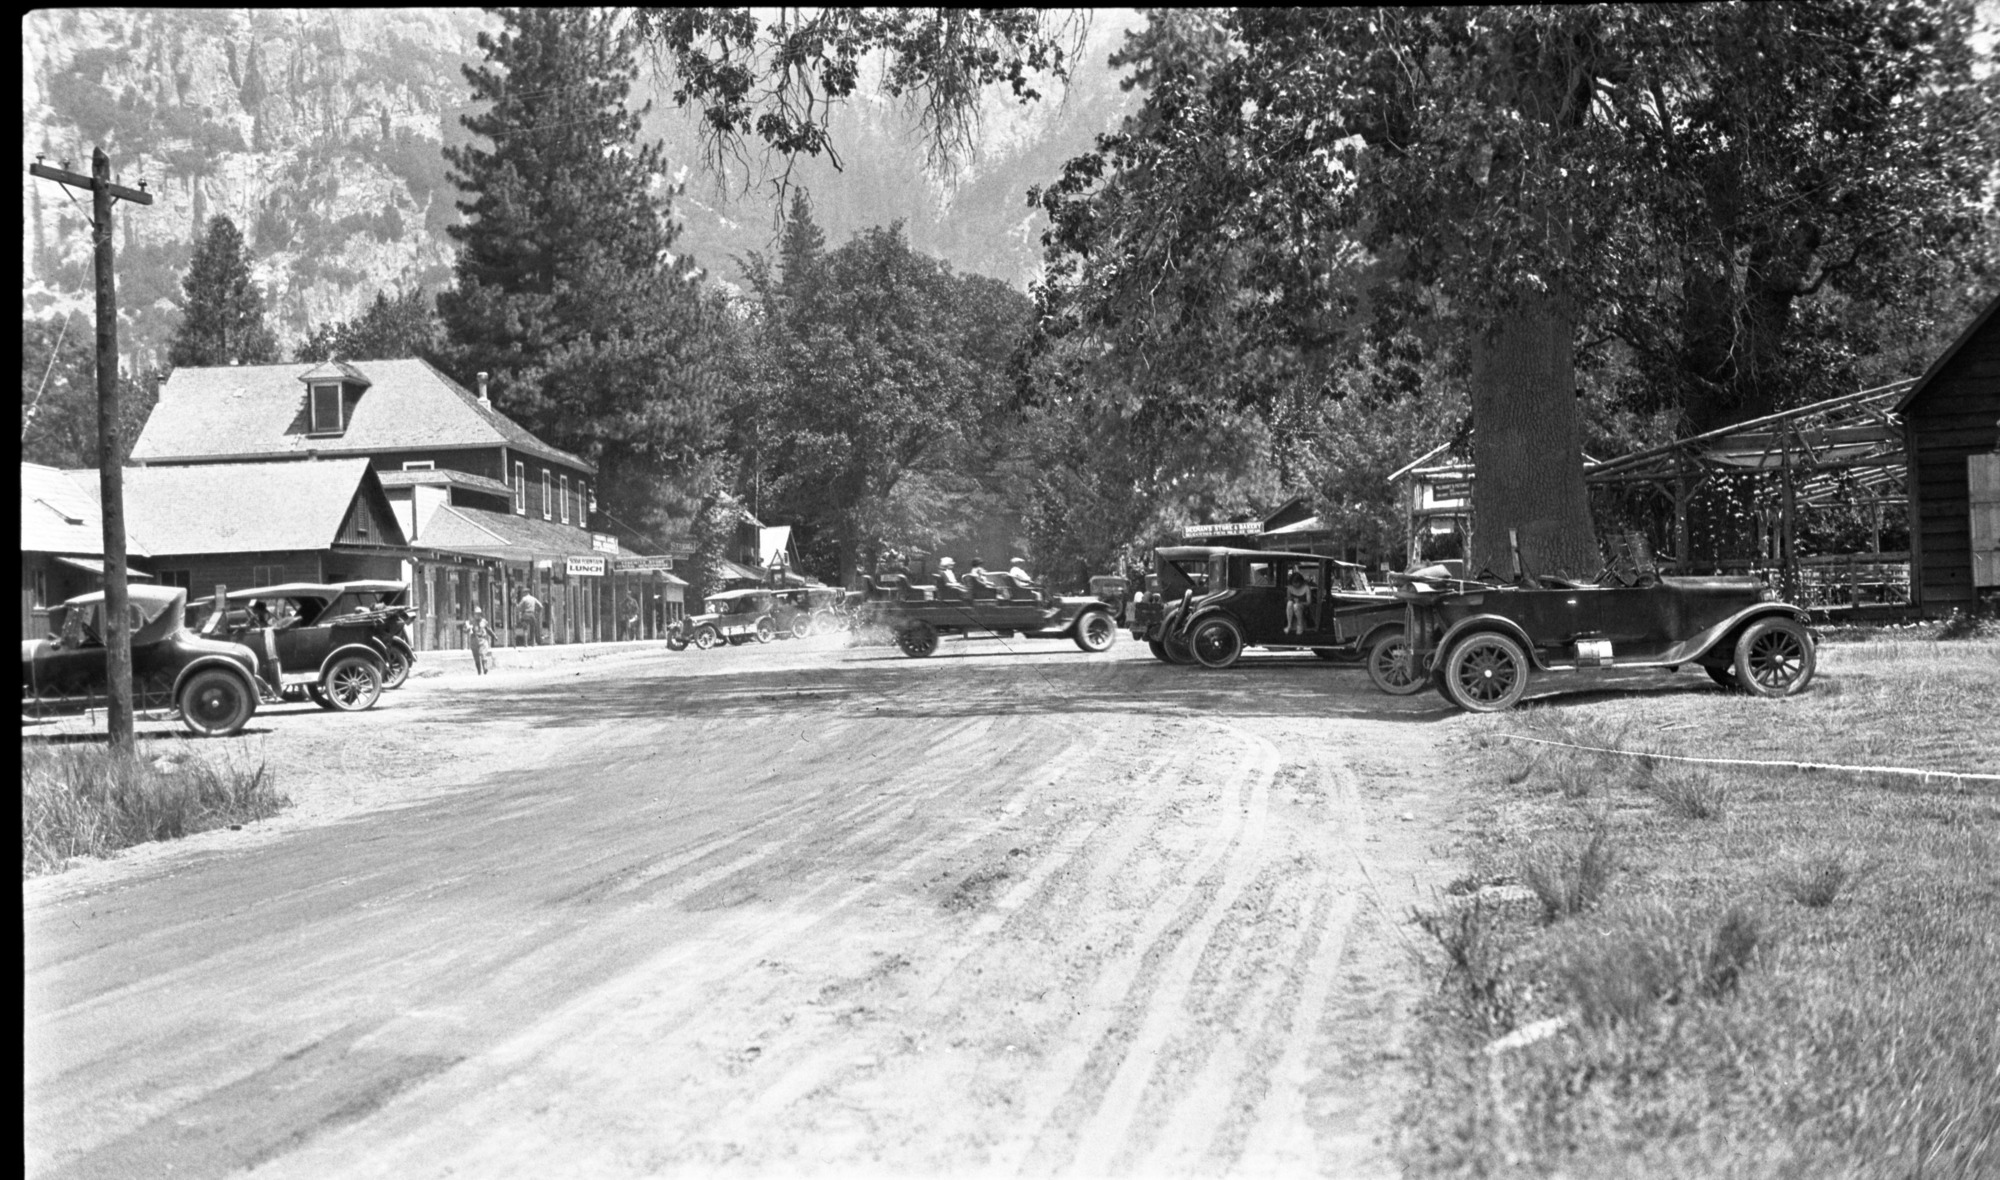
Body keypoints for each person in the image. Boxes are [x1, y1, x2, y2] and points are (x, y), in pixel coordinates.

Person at [464, 607, 495, 674]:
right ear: (474, 614)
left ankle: (485, 668)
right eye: (476, 614)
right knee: (476, 657)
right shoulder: (470, 622)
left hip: (482, 640)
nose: (478, 615)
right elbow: (465, 630)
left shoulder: (484, 621)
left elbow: (488, 630)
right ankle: (479, 671)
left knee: (483, 654)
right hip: (474, 640)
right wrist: (468, 629)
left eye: (479, 614)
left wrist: (494, 636)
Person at [1285, 568, 1312, 635]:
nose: (1296, 585)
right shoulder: (1289, 588)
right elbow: (1288, 599)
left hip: (1303, 607)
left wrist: (1300, 602)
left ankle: (1300, 625)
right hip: (1291, 607)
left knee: (1296, 606)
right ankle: (1289, 624)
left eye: (1297, 583)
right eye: (1294, 583)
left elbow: (1309, 602)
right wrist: (1291, 599)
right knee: (1290, 603)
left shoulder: (1306, 588)